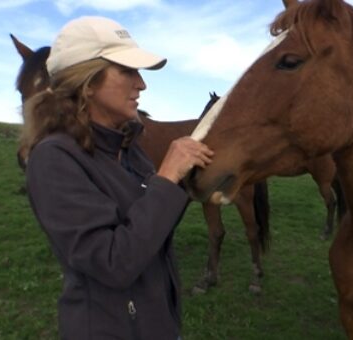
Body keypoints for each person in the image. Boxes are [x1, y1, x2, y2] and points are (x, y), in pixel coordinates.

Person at [20, 16, 213, 339]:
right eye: (127, 71)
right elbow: (112, 262)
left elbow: (152, 231)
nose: (142, 84)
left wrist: (190, 178)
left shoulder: (127, 145)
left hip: (158, 324)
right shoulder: (54, 159)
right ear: (88, 82)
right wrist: (166, 178)